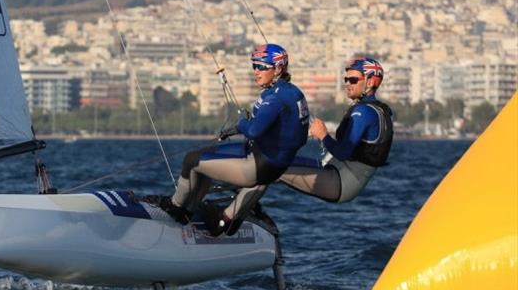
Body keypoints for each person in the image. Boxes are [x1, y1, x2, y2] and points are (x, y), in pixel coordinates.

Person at [161, 43, 309, 235]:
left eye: (262, 67)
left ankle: (175, 207)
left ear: (278, 69)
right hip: (271, 164)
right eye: (254, 66)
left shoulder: (274, 98)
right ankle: (193, 212)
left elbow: (254, 131)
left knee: (192, 160)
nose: (256, 71)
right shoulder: (294, 93)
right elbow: (298, 137)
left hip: (257, 166)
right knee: (206, 160)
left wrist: (241, 125)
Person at [278, 56, 393, 203]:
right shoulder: (370, 109)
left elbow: (342, 153)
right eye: (346, 80)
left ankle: (244, 214)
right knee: (276, 160)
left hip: (340, 182)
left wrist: (323, 135)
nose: (347, 84)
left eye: (353, 80)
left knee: (272, 168)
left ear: (370, 82)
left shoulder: (364, 112)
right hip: (334, 170)